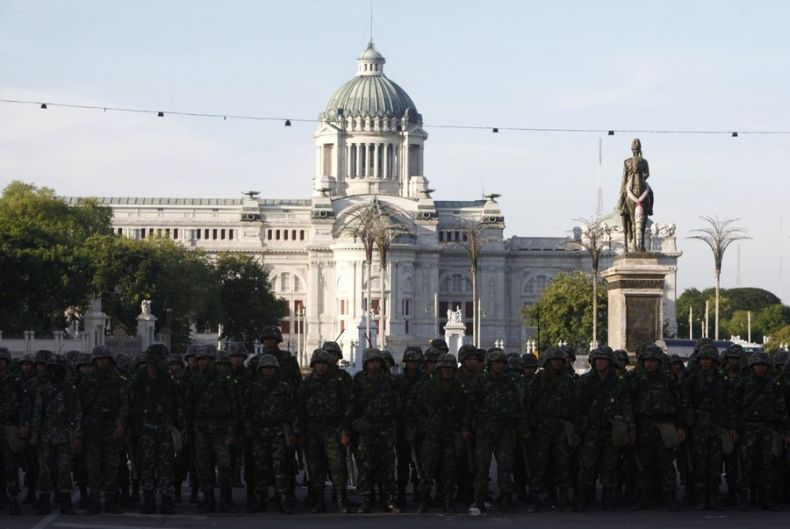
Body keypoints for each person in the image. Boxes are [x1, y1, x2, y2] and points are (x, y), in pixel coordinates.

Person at [575, 346, 634, 511]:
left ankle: (608, 500)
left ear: (610, 362)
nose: (600, 362)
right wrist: (578, 431)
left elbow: (626, 407)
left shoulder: (618, 383)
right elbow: (578, 408)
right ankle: (583, 499)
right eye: (597, 359)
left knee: (610, 466)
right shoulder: (585, 381)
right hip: (590, 431)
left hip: (610, 430)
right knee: (587, 466)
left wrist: (631, 429)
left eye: (604, 359)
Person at [342, 348, 401, 514]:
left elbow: (397, 405)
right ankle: (365, 499)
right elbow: (351, 407)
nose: (374, 365)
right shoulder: (359, 381)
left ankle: (388, 500)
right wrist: (347, 429)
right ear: (366, 364)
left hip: (385, 429)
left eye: (377, 362)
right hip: (365, 431)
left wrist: (394, 426)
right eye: (371, 362)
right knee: (365, 467)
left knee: (387, 468)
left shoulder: (389, 380)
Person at [466, 348, 524, 513]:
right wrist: (467, 426)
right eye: (495, 363)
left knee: (505, 465)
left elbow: (517, 405)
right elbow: (470, 405)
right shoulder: (480, 381)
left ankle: (506, 498)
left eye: (500, 363)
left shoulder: (509, 382)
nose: (498, 366)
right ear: (489, 364)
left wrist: (518, 426)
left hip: (504, 429)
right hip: (484, 429)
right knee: (482, 465)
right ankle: (480, 498)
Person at [128, 343, 185, 515]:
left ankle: (167, 501)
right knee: (147, 467)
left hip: (165, 430)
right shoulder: (137, 380)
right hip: (145, 430)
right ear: (153, 360)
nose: (166, 362)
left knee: (166, 466)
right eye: (163, 359)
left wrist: (182, 429)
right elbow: (128, 405)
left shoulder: (169, 381)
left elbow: (178, 406)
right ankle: (149, 501)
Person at [627, 344, 685, 511]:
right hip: (643, 424)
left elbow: (678, 404)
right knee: (643, 464)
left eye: (653, 361)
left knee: (666, 464)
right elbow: (627, 404)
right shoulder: (635, 379)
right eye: (647, 361)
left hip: (665, 425)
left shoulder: (668, 380)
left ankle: (669, 497)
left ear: (659, 362)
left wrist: (680, 427)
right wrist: (631, 427)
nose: (650, 364)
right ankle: (644, 497)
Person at [186, 344, 238, 513]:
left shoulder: (225, 378)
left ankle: (226, 499)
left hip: (220, 429)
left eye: (205, 359)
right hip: (201, 429)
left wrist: (231, 431)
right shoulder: (195, 379)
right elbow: (188, 406)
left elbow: (234, 405)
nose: (202, 363)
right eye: (200, 360)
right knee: (204, 466)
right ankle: (208, 498)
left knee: (225, 465)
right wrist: (189, 430)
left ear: (212, 360)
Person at [733, 352, 788, 511]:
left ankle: (765, 497)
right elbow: (734, 408)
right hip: (749, 428)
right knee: (746, 464)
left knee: (766, 464)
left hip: (767, 428)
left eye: (763, 365)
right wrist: (735, 429)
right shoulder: (743, 384)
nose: (759, 368)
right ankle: (744, 497)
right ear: (752, 366)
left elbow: (781, 409)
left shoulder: (773, 385)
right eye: (757, 365)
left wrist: (784, 431)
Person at [682, 344, 735, 510]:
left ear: (714, 361)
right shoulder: (692, 380)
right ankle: (701, 497)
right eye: (702, 359)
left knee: (716, 465)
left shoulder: (723, 381)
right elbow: (685, 404)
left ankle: (712, 495)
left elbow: (730, 406)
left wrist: (732, 428)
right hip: (698, 429)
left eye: (708, 359)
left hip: (718, 428)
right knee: (699, 464)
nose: (705, 362)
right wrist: (685, 426)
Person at [297, 349, 350, 513]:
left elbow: (346, 406)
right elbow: (299, 409)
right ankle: (319, 500)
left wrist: (344, 430)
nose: (321, 367)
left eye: (324, 364)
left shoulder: (337, 382)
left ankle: (341, 500)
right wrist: (300, 432)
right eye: (318, 363)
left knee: (337, 467)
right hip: (312, 430)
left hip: (332, 429)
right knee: (315, 468)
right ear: (314, 365)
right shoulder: (306, 384)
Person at [244, 353, 297, 514]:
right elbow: (246, 410)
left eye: (271, 368)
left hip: (278, 431)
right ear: (261, 369)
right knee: (260, 466)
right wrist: (248, 428)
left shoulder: (284, 387)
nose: (269, 371)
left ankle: (283, 499)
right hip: (259, 432)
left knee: (280, 466)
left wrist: (293, 432)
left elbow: (292, 410)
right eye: (266, 368)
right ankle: (261, 499)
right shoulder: (253, 388)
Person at [412, 353, 464, 513]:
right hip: (432, 435)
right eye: (444, 368)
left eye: (450, 368)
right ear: (439, 370)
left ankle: (446, 501)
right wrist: (423, 425)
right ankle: (425, 500)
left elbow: (464, 410)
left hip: (449, 435)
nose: (447, 371)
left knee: (448, 471)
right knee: (427, 470)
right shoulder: (429, 386)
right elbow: (418, 407)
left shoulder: (457, 388)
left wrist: (462, 429)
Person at [79, 346, 129, 514]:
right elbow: (80, 405)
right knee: (93, 465)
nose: (102, 361)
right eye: (99, 359)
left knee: (112, 465)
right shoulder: (87, 381)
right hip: (92, 428)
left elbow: (124, 404)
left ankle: (110, 498)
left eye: (105, 358)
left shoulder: (118, 380)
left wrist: (120, 424)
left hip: (111, 428)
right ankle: (93, 499)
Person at [31, 354, 82, 515]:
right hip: (46, 436)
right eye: (51, 368)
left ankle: (65, 503)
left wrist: (77, 435)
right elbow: (37, 413)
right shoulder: (43, 389)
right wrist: (34, 434)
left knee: (64, 469)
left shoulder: (71, 390)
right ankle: (44, 501)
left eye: (57, 369)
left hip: (64, 436)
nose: (53, 372)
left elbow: (77, 413)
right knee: (45, 470)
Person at [526, 347, 576, 512]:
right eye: (553, 360)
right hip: (542, 426)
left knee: (562, 464)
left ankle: (563, 499)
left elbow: (575, 405)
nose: (556, 363)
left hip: (561, 426)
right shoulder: (539, 379)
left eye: (559, 360)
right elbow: (529, 402)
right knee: (539, 464)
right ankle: (535, 499)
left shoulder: (568, 380)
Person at [394, 346, 428, 506]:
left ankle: (419, 491)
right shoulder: (399, 381)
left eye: (415, 361)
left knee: (419, 464)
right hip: (402, 427)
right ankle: (400, 492)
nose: (413, 365)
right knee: (402, 463)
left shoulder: (426, 381)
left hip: (420, 428)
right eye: (410, 361)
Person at [0, 347, 22, 515]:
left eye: (2, 360)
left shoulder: (15, 380)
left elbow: (23, 404)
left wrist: (23, 425)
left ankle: (14, 497)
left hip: (10, 427)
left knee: (11, 465)